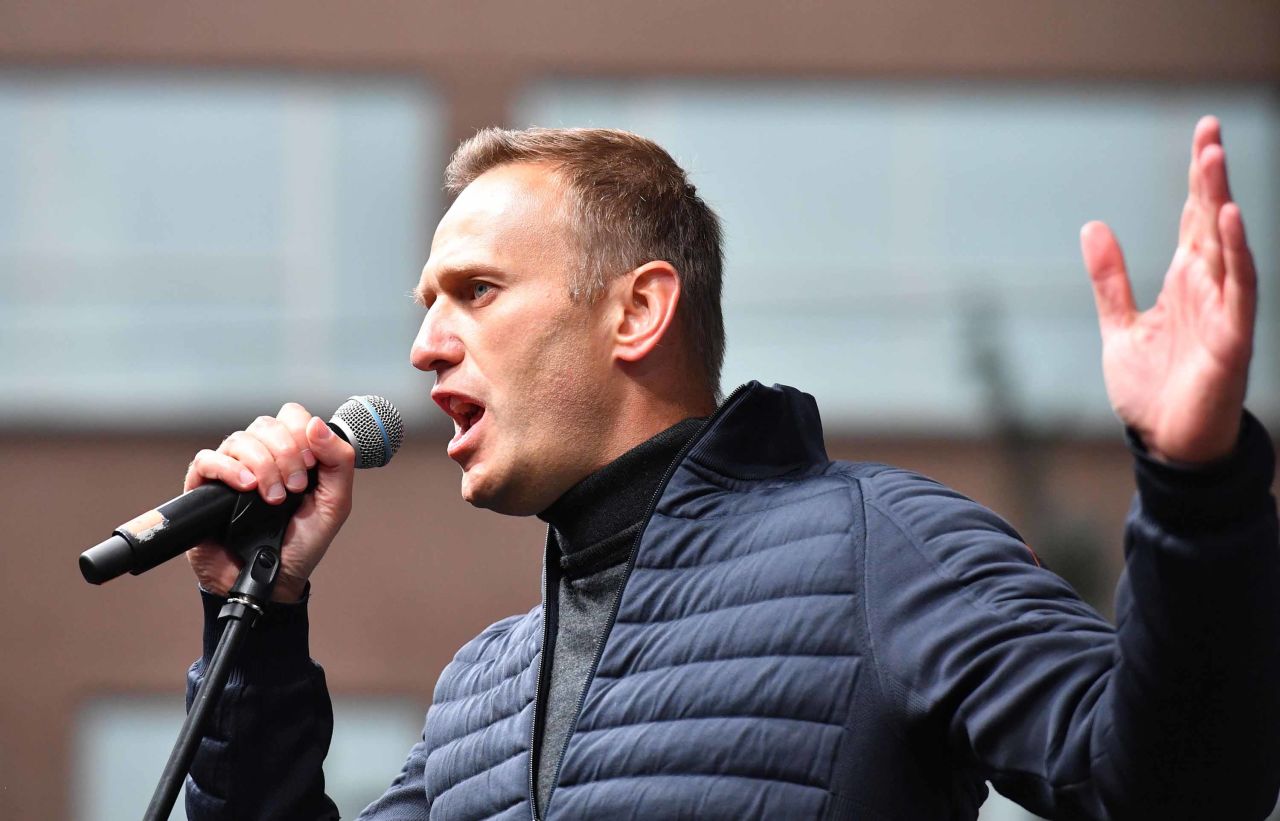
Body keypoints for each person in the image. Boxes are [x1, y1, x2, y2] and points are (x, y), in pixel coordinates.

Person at [182, 120, 1279, 820]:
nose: (424, 344)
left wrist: (1193, 481)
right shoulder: (482, 687)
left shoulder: (877, 549)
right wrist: (257, 615)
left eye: (473, 291)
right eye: (425, 303)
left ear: (638, 310)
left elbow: (1176, 790)